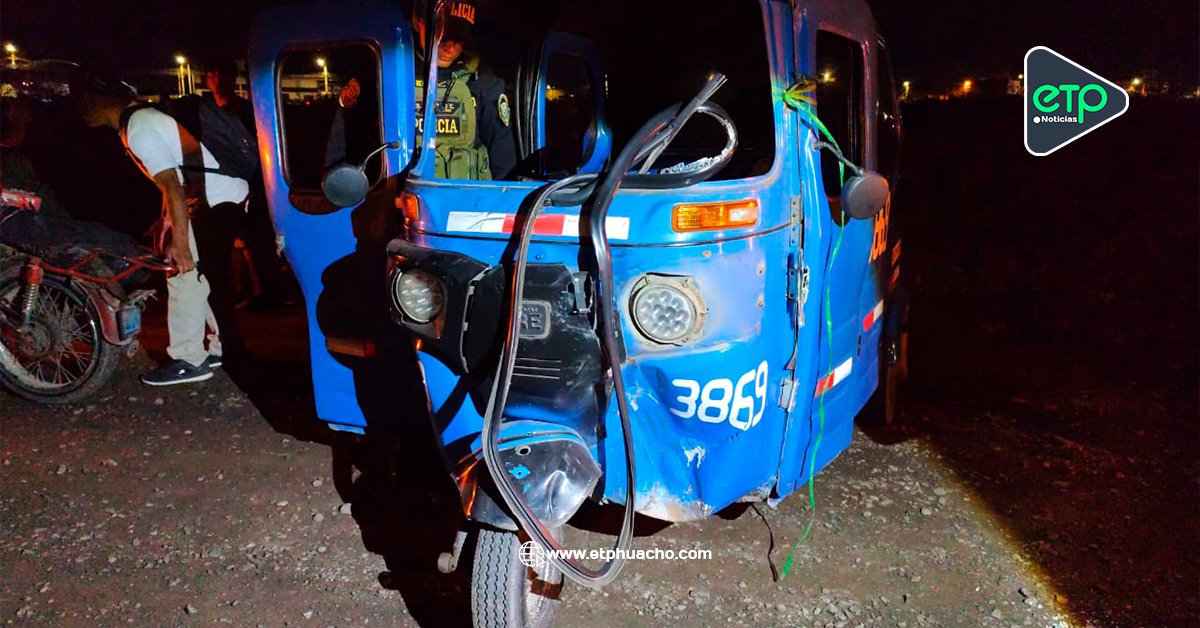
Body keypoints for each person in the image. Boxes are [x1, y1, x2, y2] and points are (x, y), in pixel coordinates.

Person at [71, 68, 249, 386]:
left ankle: (188, 358)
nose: (78, 109)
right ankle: (221, 347)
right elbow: (176, 179)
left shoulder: (137, 127)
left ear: (96, 100)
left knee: (183, 275)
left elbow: (172, 184)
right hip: (225, 196)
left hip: (213, 200)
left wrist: (179, 241)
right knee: (199, 275)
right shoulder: (141, 119)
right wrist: (167, 222)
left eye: (80, 101)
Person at [414, 0, 517, 180]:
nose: (450, 47)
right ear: (417, 22)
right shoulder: (393, 73)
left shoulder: (483, 84)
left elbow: (504, 160)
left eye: (459, 38)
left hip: (466, 202)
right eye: (443, 36)